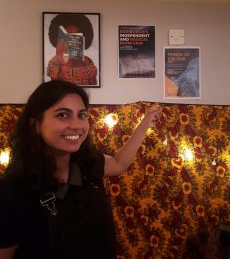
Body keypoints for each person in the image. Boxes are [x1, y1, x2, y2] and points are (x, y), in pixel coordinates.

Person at [0, 80, 162, 258]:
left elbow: (119, 164)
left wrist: (147, 121)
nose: (76, 125)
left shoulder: (88, 165)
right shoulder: (11, 192)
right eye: (63, 115)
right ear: (35, 125)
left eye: (82, 115)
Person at [47, 13, 97, 86]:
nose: (72, 38)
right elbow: (55, 86)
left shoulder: (87, 61)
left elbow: (93, 84)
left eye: (77, 34)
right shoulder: (54, 61)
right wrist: (61, 58)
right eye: (68, 34)